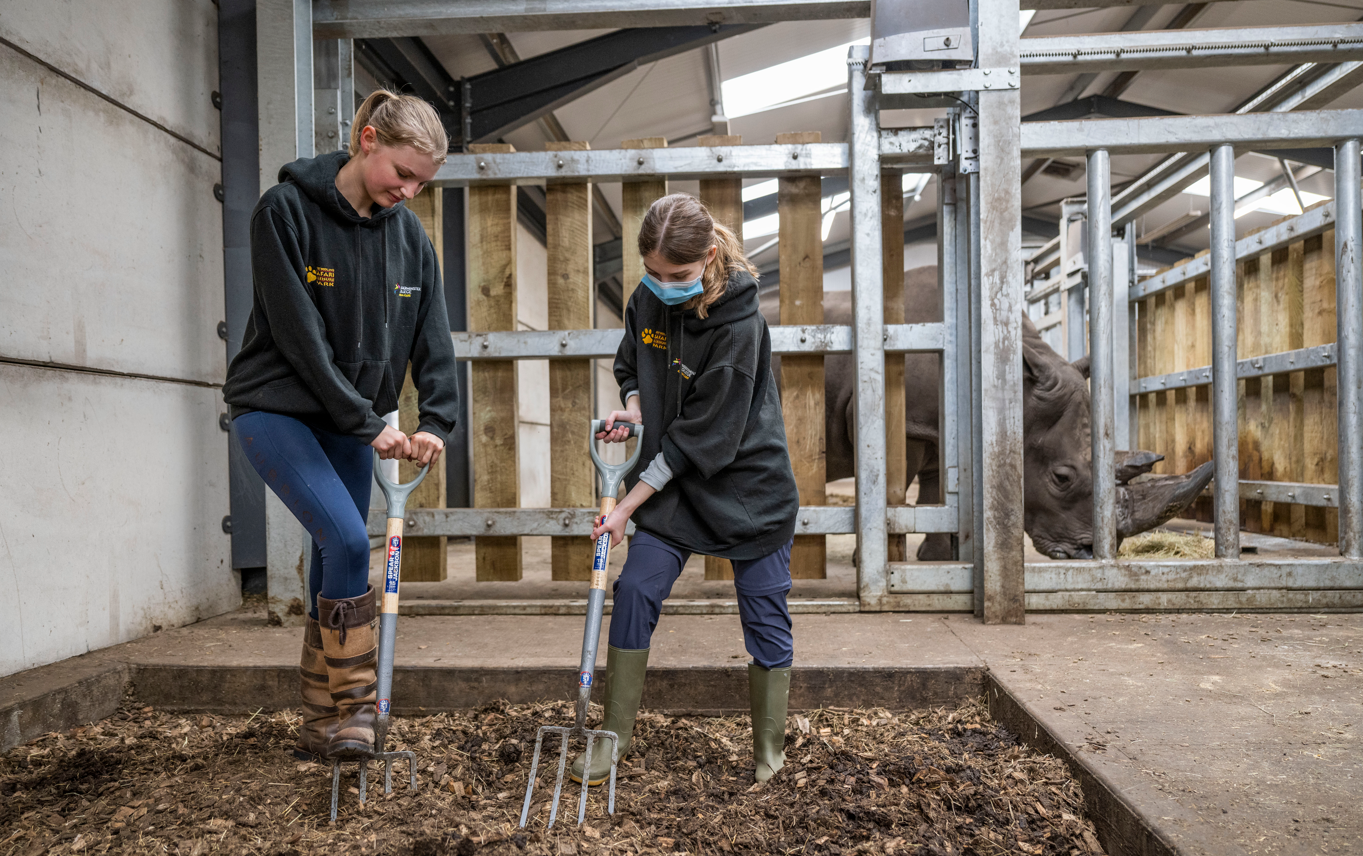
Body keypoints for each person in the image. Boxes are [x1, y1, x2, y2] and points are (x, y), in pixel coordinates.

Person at [221, 90, 459, 762]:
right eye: (402, 174)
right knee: (350, 540)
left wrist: (436, 421)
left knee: (335, 556)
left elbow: (433, 338)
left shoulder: (409, 240)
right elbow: (299, 338)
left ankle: (320, 722)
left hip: (351, 423)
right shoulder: (284, 211)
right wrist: (366, 420)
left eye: (421, 183)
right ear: (368, 140)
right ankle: (358, 710)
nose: (408, 192)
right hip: (277, 409)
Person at [579, 193, 800, 785]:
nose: (663, 285)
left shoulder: (740, 328)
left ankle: (769, 756)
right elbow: (632, 363)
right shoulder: (648, 298)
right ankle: (613, 739)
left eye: (677, 276)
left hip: (747, 491)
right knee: (635, 592)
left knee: (765, 618)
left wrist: (626, 506)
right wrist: (634, 406)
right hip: (674, 489)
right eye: (652, 272)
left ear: (708, 257)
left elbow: (703, 438)